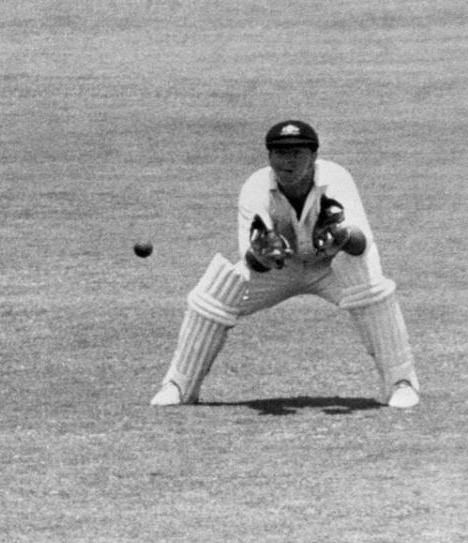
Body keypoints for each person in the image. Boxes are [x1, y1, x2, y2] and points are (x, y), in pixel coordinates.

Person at [150, 120, 419, 409]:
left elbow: (361, 243)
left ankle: (401, 383)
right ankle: (179, 385)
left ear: (313, 156)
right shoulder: (256, 187)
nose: (287, 161)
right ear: (269, 157)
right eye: (280, 153)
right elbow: (251, 260)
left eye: (296, 153)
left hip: (329, 268)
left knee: (371, 287)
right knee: (215, 293)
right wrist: (264, 253)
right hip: (282, 269)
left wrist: (339, 236)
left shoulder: (336, 178)